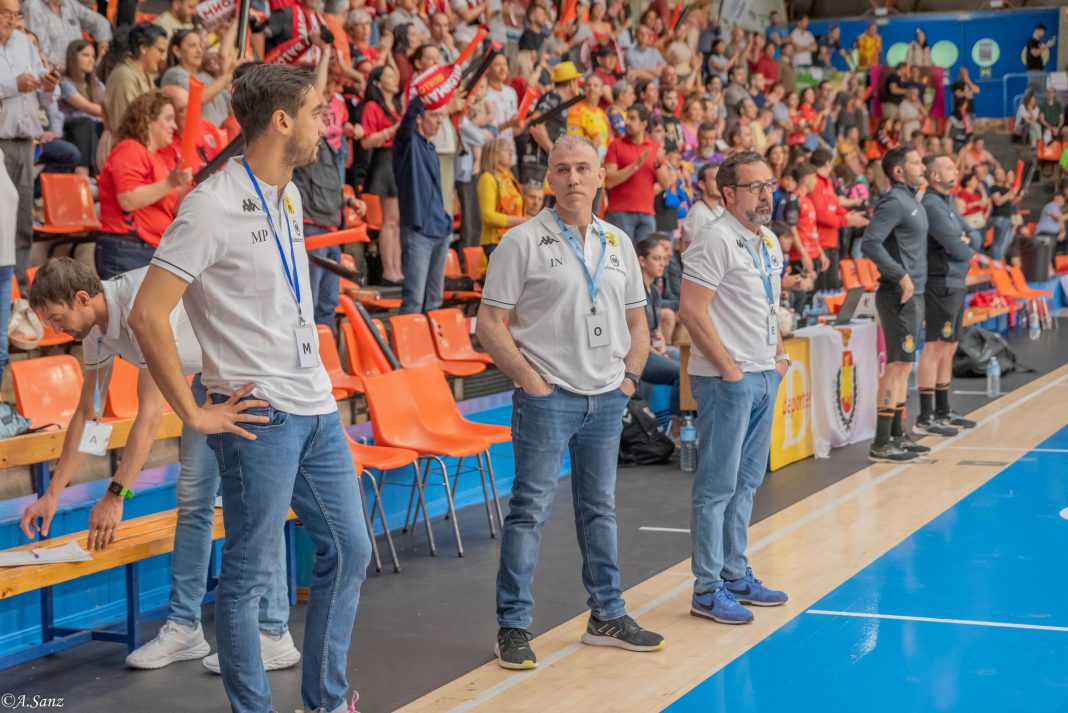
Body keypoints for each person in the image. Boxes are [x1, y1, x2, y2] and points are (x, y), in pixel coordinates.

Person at [128, 63, 372, 713]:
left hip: (315, 403)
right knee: (247, 576)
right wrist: (192, 413)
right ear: (282, 120)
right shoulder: (208, 205)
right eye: (319, 111)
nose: (328, 122)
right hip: (257, 413)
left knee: (350, 548)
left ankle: (322, 699)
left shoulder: (287, 192)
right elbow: (147, 314)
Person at [20, 258, 301, 674]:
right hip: (205, 383)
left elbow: (150, 415)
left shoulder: (140, 307)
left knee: (251, 505)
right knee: (193, 502)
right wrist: (52, 494)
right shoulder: (96, 334)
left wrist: (116, 495)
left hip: (247, 378)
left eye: (58, 319)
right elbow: (90, 415)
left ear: (81, 298)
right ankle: (185, 627)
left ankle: (274, 632)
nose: (57, 331)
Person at [477, 135, 664, 670]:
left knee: (599, 509)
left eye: (583, 168)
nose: (574, 179)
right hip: (548, 397)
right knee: (529, 511)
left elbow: (636, 322)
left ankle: (606, 615)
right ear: (550, 180)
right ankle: (512, 627)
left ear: (601, 176)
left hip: (606, 396)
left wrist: (628, 380)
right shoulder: (521, 241)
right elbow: (489, 324)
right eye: (563, 170)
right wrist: (529, 380)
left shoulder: (618, 242)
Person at [677, 150, 790, 625]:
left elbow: (768, 306)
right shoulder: (715, 239)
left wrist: (779, 357)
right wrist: (729, 370)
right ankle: (706, 588)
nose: (767, 194)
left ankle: (735, 571)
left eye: (769, 185)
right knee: (717, 486)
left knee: (746, 483)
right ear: (728, 193)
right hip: (730, 380)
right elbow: (691, 310)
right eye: (755, 187)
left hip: (763, 371)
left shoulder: (768, 242)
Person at [861, 146, 929, 463]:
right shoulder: (893, 201)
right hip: (896, 294)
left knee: (905, 365)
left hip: (913, 295)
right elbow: (870, 242)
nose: (922, 166)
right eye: (916, 162)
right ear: (899, 171)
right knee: (896, 366)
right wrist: (900, 276)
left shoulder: (910, 201)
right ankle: (880, 442)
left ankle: (897, 434)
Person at [95, 91, 192, 279]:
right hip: (127, 247)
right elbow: (128, 199)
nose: (174, 125)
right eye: (169, 118)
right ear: (148, 119)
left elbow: (171, 206)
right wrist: (170, 182)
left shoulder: (158, 159)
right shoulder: (129, 148)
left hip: (150, 249)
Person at [915, 155, 978, 439]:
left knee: (950, 347)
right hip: (940, 283)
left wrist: (967, 240)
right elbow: (960, 246)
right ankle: (926, 416)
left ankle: (943, 409)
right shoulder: (931, 204)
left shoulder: (947, 204)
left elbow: (974, 236)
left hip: (956, 282)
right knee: (934, 347)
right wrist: (964, 241)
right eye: (949, 168)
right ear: (934, 176)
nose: (956, 171)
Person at [1, 0, 61, 283]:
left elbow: (43, 91)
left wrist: (48, 85)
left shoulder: (25, 43)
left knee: (23, 218)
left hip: (25, 141)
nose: (10, 20)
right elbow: (18, 83)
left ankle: (19, 288)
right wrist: (14, 84)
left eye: (15, 14)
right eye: (4, 13)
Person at [394, 82, 453, 314]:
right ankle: (406, 351)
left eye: (441, 115)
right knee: (414, 300)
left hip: (440, 230)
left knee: (434, 302)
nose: (439, 120)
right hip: (418, 231)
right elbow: (408, 120)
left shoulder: (431, 149)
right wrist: (424, 91)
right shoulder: (406, 144)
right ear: (420, 118)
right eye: (435, 115)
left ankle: (431, 350)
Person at [100, 23, 168, 168]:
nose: (163, 57)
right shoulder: (123, 75)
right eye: (160, 51)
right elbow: (126, 123)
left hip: (139, 147)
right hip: (121, 150)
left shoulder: (145, 75)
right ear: (143, 48)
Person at [604, 104, 673, 245]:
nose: (627, 122)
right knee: (620, 261)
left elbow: (666, 184)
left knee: (644, 262)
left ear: (643, 124)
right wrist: (636, 165)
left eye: (632, 118)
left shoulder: (654, 147)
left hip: (647, 214)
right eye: (627, 118)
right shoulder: (615, 145)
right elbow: (609, 181)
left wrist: (658, 165)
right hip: (619, 213)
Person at [361, 64, 404, 284]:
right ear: (377, 82)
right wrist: (390, 131)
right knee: (390, 220)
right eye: (388, 76)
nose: (393, 79)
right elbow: (366, 141)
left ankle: (397, 269)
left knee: (397, 221)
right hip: (384, 158)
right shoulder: (372, 106)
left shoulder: (396, 105)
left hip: (397, 158)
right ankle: (389, 270)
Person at [636, 235, 680, 428]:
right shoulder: (634, 290)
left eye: (664, 259)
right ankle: (677, 426)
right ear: (642, 261)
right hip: (639, 354)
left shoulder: (653, 290)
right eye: (656, 258)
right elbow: (638, 337)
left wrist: (664, 349)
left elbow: (656, 330)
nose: (662, 264)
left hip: (652, 349)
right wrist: (661, 355)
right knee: (682, 372)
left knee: (692, 363)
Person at [517, 60, 583, 184]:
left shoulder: (561, 101)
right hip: (537, 163)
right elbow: (536, 123)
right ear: (571, 82)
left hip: (545, 164)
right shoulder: (554, 96)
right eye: (576, 81)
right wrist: (552, 150)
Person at [161, 28, 237, 128]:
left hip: (222, 138)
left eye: (201, 46)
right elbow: (198, 98)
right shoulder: (173, 74)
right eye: (192, 45)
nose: (199, 50)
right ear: (177, 51)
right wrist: (227, 77)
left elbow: (233, 105)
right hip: (197, 140)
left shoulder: (206, 77)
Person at [58, 39, 105, 176]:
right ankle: (82, 174)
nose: (91, 60)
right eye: (86, 55)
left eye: (93, 56)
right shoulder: (64, 82)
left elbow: (108, 103)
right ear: (73, 57)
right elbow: (87, 107)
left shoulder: (96, 84)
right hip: (70, 129)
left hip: (92, 127)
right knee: (86, 123)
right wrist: (114, 113)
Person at [22, 0, 110, 67]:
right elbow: (40, 49)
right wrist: (72, 68)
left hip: (79, 71)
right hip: (56, 75)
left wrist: (103, 41)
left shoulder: (69, 3)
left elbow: (100, 22)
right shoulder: (32, 6)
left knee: (102, 88)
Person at [478, 137, 527, 256]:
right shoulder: (487, 178)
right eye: (505, 150)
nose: (511, 152)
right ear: (493, 154)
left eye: (511, 149)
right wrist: (520, 221)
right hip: (495, 241)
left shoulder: (509, 177)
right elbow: (488, 217)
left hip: (513, 238)